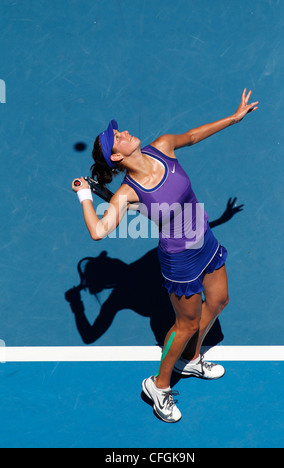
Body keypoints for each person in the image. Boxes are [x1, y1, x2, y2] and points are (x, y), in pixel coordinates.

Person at [72, 89, 258, 423]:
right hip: (180, 261)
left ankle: (191, 359)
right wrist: (86, 195)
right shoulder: (128, 194)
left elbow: (193, 135)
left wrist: (234, 117)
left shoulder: (162, 146)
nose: (126, 132)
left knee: (218, 302)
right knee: (185, 324)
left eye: (122, 130)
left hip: (206, 240)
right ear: (115, 157)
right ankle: (158, 385)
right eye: (119, 137)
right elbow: (99, 232)